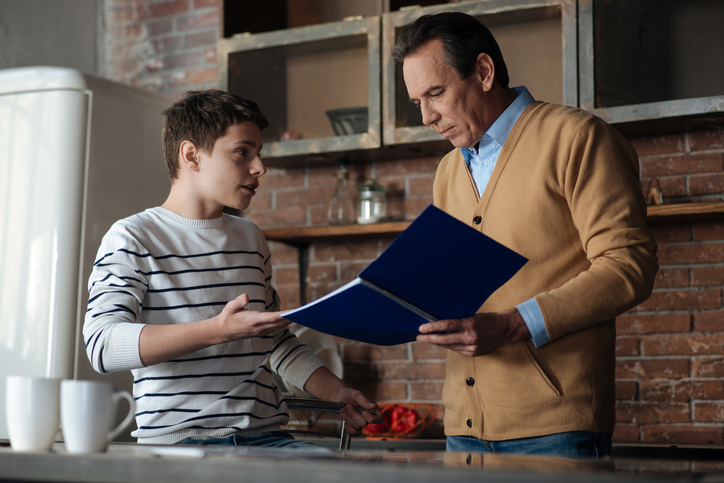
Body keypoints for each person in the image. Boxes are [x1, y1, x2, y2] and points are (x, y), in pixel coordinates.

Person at [392, 12, 658, 457]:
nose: (427, 116)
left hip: (554, 428)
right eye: (417, 100)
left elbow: (629, 266)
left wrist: (515, 323)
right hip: (462, 426)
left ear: (483, 71)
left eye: (436, 93)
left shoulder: (577, 138)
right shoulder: (447, 171)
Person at [84, 90, 380, 447]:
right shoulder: (133, 236)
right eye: (243, 152)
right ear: (191, 155)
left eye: (259, 154)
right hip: (179, 446)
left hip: (268, 439)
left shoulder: (251, 237)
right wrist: (217, 330)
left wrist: (338, 391)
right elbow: (101, 345)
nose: (260, 167)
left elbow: (271, 338)